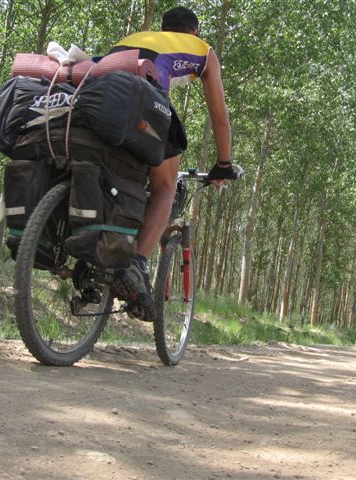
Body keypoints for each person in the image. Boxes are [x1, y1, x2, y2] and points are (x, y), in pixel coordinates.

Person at [112, 6, 235, 320]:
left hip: (101, 100)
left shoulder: (137, 37)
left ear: (163, 28)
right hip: (142, 102)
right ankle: (136, 264)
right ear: (194, 32)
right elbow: (219, 115)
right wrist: (224, 163)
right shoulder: (202, 50)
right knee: (165, 187)